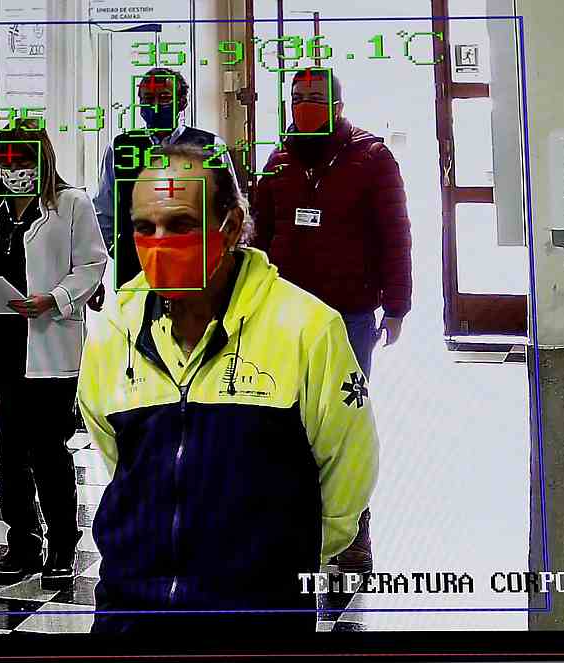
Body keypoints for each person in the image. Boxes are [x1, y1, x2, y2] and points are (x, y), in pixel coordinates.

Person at [77, 143, 379, 635]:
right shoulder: (114, 329)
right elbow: (118, 459)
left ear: (232, 226)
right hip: (130, 612)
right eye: (143, 227)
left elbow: (348, 471)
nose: (159, 242)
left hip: (256, 617)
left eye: (180, 224)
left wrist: (281, 558)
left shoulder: (306, 328)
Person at [252, 68, 412, 574]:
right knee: (289, 420)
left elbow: (395, 233)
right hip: (285, 313)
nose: (304, 106)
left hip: (350, 314)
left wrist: (398, 304)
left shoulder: (371, 157)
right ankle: (294, 527)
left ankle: (352, 535)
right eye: (297, 98)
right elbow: (258, 234)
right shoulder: (277, 161)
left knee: (344, 424)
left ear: (338, 105)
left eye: (315, 98)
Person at [0, 119, 106, 590]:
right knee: (10, 449)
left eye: (24, 160)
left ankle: (63, 541)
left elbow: (93, 264)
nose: (15, 170)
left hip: (49, 336)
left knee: (48, 448)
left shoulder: (71, 204)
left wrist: (55, 298)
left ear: (42, 160)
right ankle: (23, 543)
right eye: (7, 160)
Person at [91, 67, 240, 298]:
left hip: (195, 261)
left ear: (182, 103)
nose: (156, 105)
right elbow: (103, 207)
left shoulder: (210, 145)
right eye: (148, 99)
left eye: (165, 97)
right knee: (136, 328)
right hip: (136, 263)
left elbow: (231, 204)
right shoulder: (120, 147)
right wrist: (117, 249)